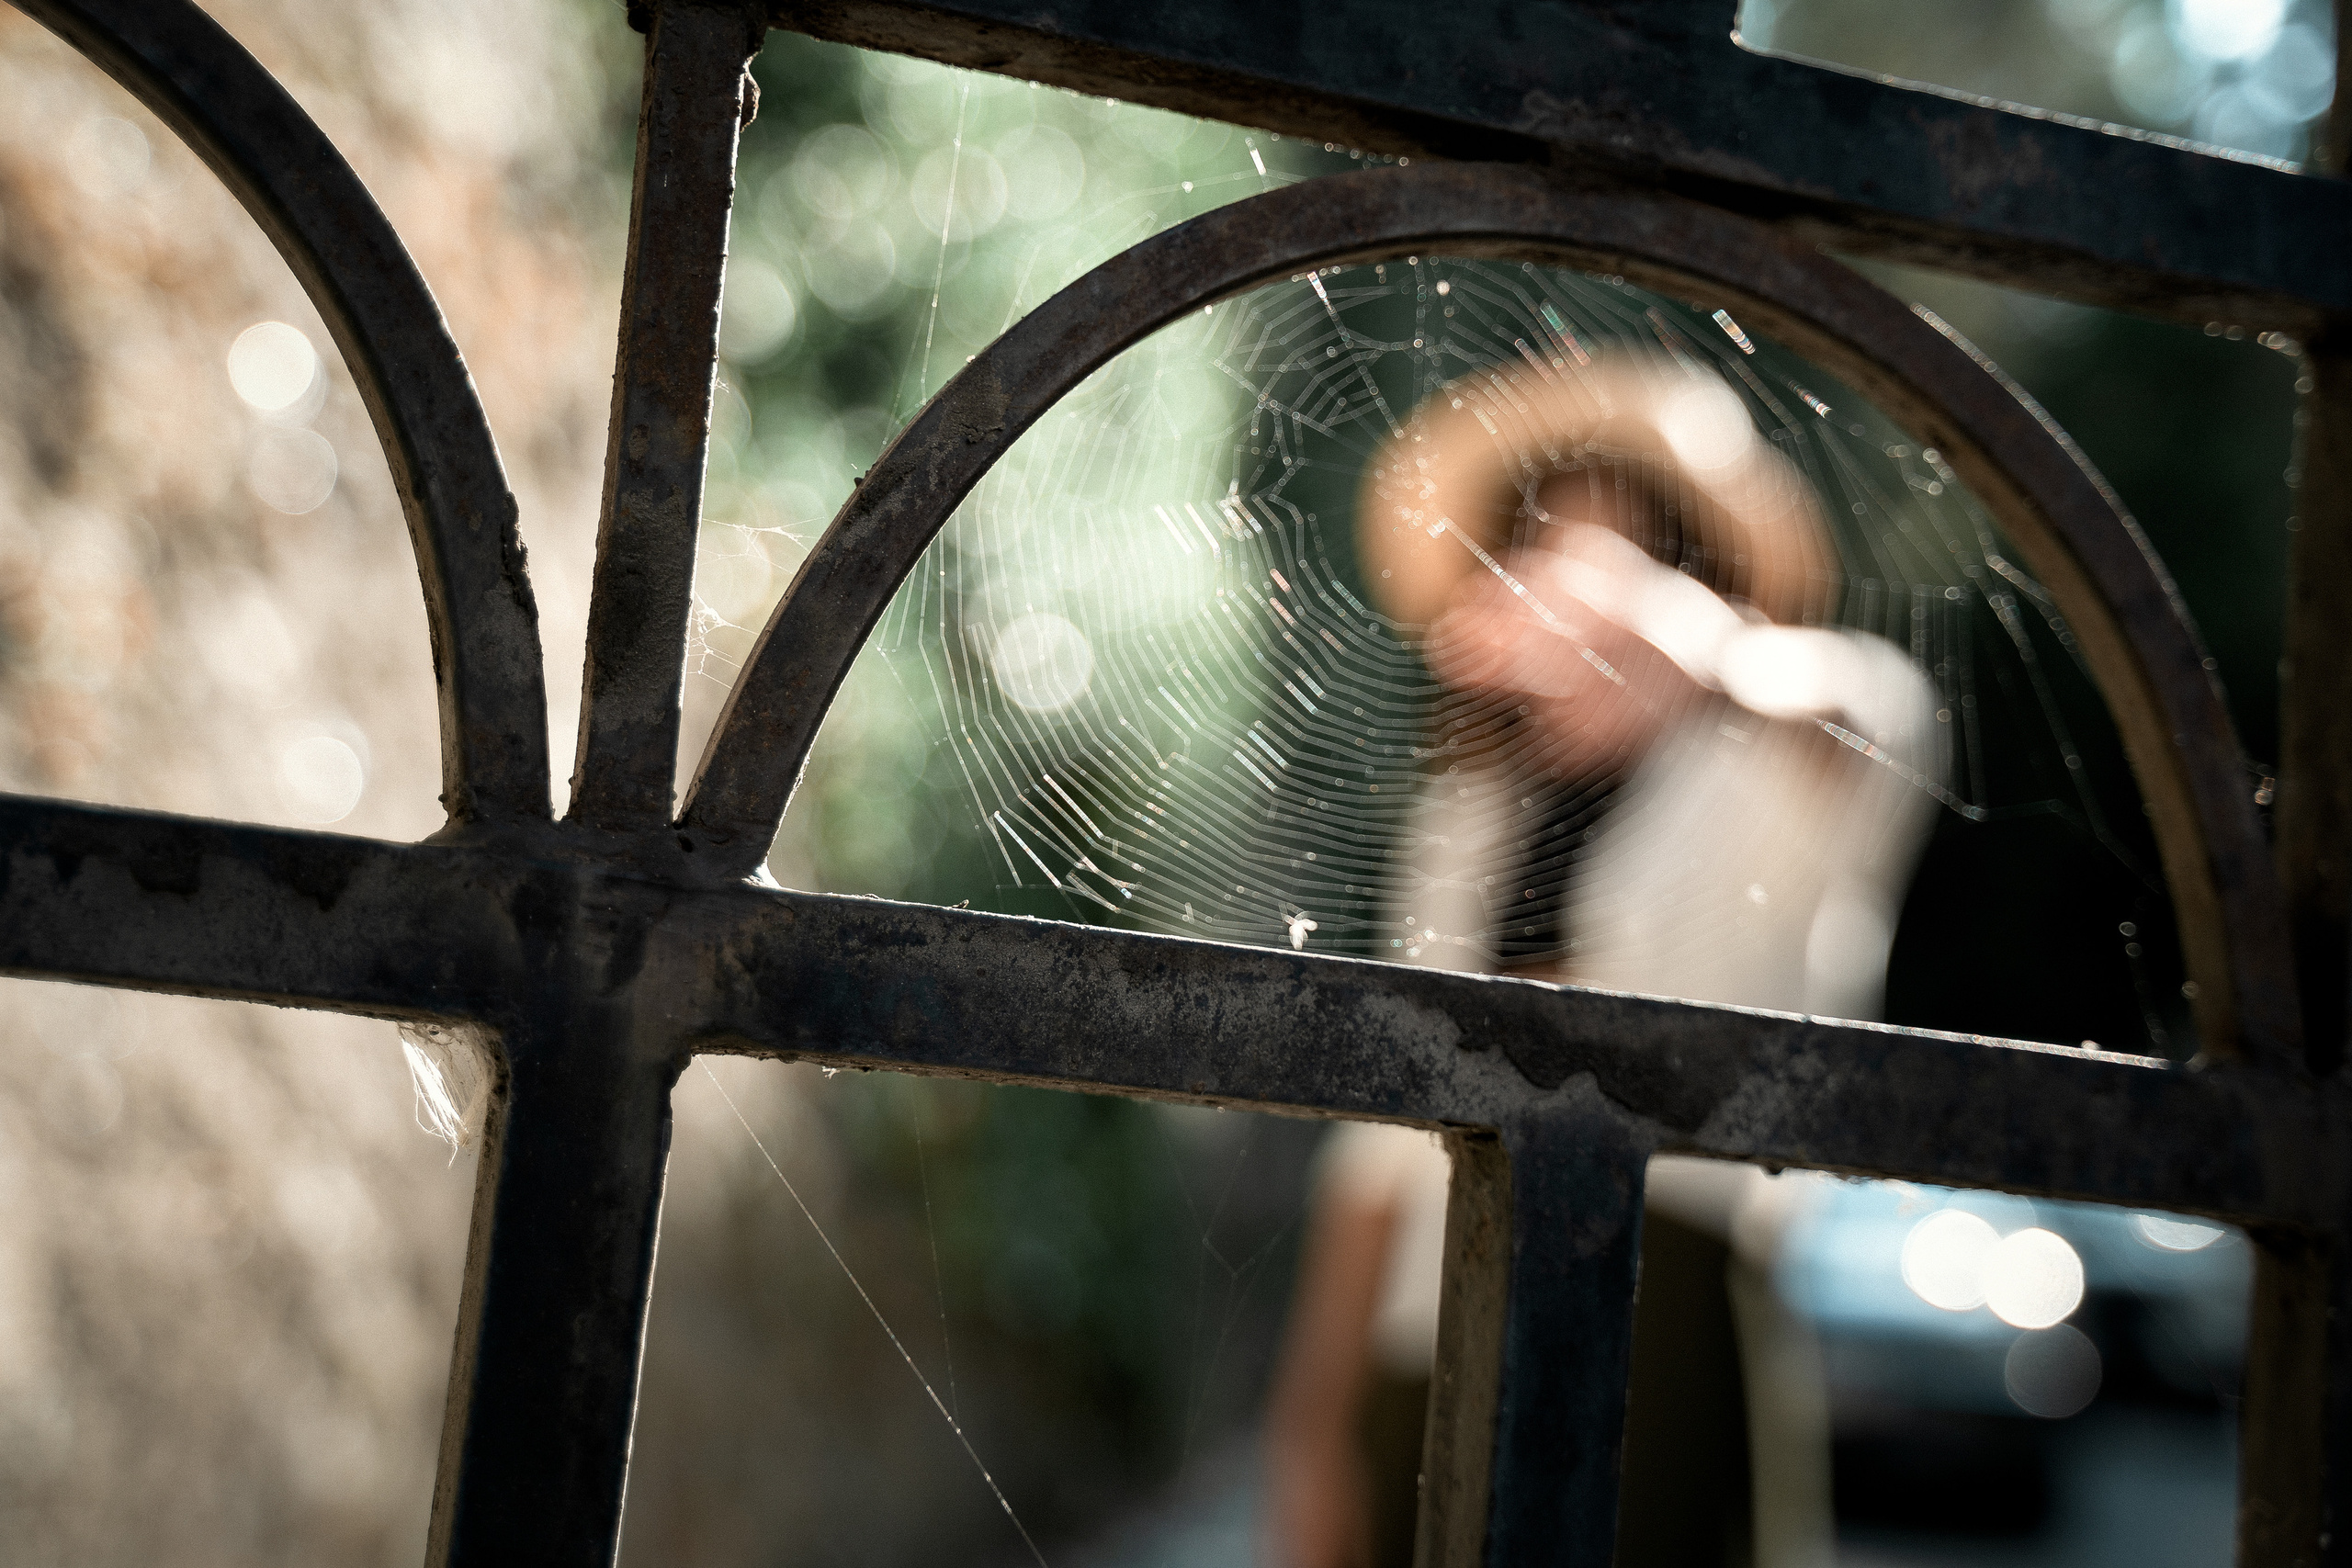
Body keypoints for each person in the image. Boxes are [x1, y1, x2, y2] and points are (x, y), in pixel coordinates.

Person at [1262, 352, 1944, 1568]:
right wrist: (1309, 1431)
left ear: (1696, 577)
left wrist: (1698, 654)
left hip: (1665, 1317)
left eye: (1624, 572)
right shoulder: (1472, 814)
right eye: (1544, 576)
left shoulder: (1770, 769)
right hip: (1428, 1323)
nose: (1577, 622)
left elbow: (1889, 714)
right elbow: (1372, 1147)